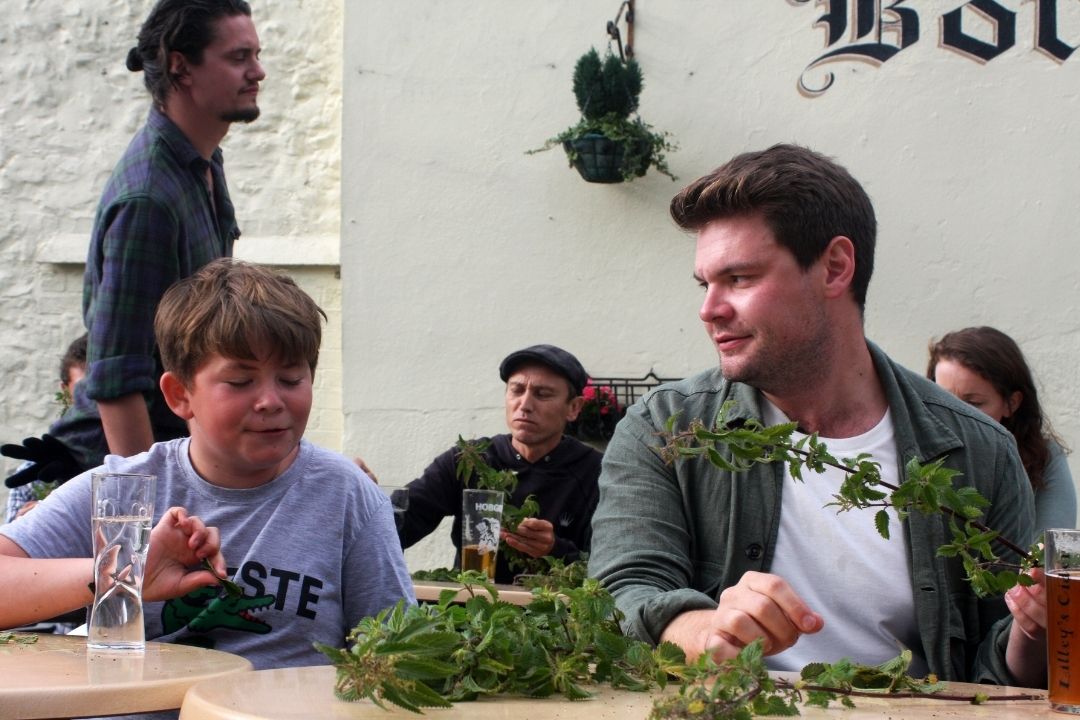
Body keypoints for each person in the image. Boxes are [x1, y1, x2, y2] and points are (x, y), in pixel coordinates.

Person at [588, 144, 1043, 688]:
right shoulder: (666, 430)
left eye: (739, 278)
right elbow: (624, 592)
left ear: (834, 268)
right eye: (704, 283)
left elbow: (1004, 670)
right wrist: (704, 630)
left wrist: (1039, 630)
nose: (708, 309)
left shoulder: (980, 451)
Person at [0, 259, 415, 670]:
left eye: (291, 379)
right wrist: (125, 571)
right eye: (240, 381)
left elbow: (399, 655)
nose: (271, 400)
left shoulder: (346, 495)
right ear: (179, 394)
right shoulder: (122, 489)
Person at [2, 0, 265, 488]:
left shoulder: (201, 166)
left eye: (256, 55)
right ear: (180, 67)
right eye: (238, 57)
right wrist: (153, 515)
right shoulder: (149, 199)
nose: (258, 71)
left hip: (174, 457)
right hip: (117, 475)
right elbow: (117, 381)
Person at [393, 344, 602, 584]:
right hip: (472, 612)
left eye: (542, 394)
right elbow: (399, 523)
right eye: (517, 390)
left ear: (574, 408)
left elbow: (614, 565)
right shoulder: (470, 458)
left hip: (563, 616)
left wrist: (555, 549)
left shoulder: (598, 473)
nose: (525, 404)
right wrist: (362, 492)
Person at [928, 326, 1075, 534]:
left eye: (973, 403)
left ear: (1012, 403)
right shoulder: (916, 454)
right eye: (943, 399)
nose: (954, 414)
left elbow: (1053, 550)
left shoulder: (1045, 458)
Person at [5, 334, 88, 522]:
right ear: (65, 390)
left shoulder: (146, 451)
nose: (95, 403)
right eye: (84, 391)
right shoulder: (37, 470)